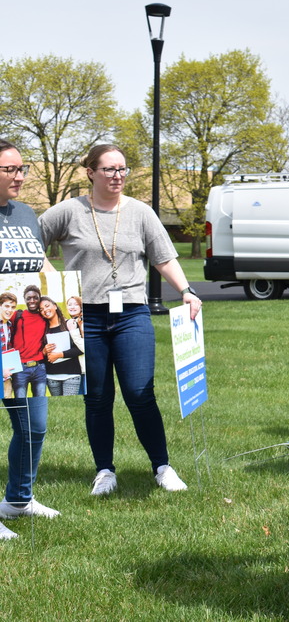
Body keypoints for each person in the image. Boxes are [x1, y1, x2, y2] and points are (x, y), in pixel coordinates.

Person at [38, 143, 201, 496]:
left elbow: (164, 257)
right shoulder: (69, 211)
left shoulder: (141, 213)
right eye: (110, 169)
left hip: (131, 315)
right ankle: (105, 471)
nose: (118, 176)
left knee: (140, 393)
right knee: (96, 397)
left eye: (122, 169)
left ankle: (162, 466)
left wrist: (186, 290)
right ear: (91, 172)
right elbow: (32, 241)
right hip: (85, 318)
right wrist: (54, 279)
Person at [0, 139, 59, 540]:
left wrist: (63, 292)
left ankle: (18, 499)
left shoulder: (25, 213)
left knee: (34, 424)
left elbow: (39, 263)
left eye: (23, 169)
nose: (20, 177)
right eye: (11, 170)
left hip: (24, 344)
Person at [40, 296, 83, 396]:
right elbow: (40, 354)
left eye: (47, 306)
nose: (45, 310)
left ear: (55, 306)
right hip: (51, 376)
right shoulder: (43, 329)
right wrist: (44, 351)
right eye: (41, 309)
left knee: (70, 407)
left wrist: (60, 354)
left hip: (71, 374)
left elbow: (81, 349)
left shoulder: (70, 324)